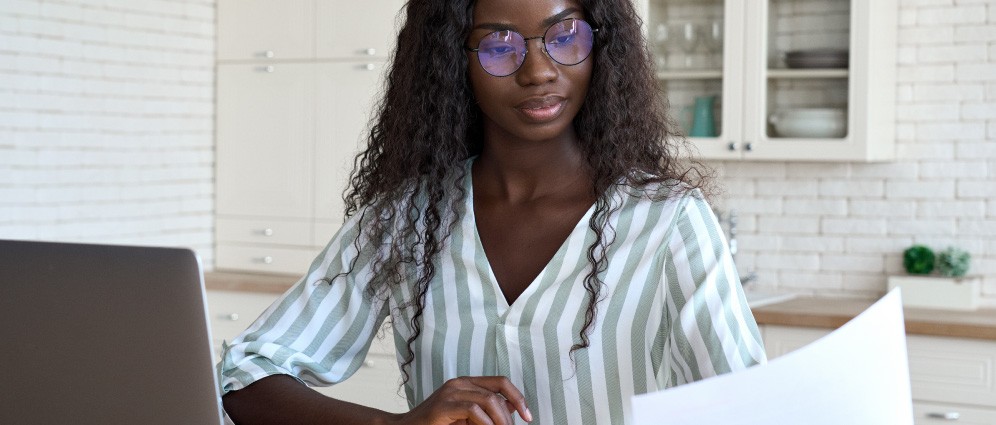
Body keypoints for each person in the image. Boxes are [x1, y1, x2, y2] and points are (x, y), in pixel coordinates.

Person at [217, 0, 766, 424]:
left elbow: (753, 407)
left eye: (565, 36)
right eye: (500, 45)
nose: (538, 71)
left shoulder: (668, 221)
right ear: (451, 62)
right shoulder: (406, 220)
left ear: (602, 45)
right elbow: (243, 376)